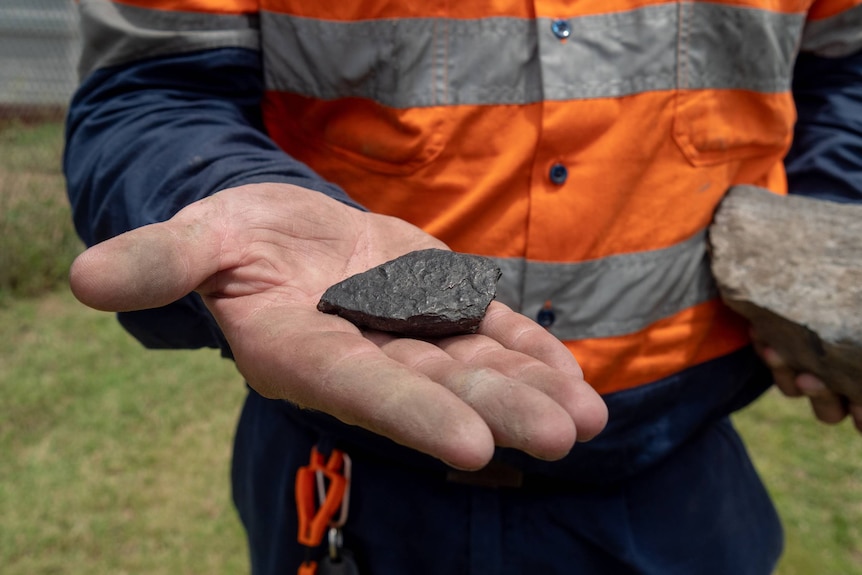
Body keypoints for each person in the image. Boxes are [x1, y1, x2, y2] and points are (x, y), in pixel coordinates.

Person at [64, 1, 862, 573]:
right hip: (351, 476)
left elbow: (848, 81)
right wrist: (221, 195)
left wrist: (821, 279)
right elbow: (154, 88)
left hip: (679, 483)